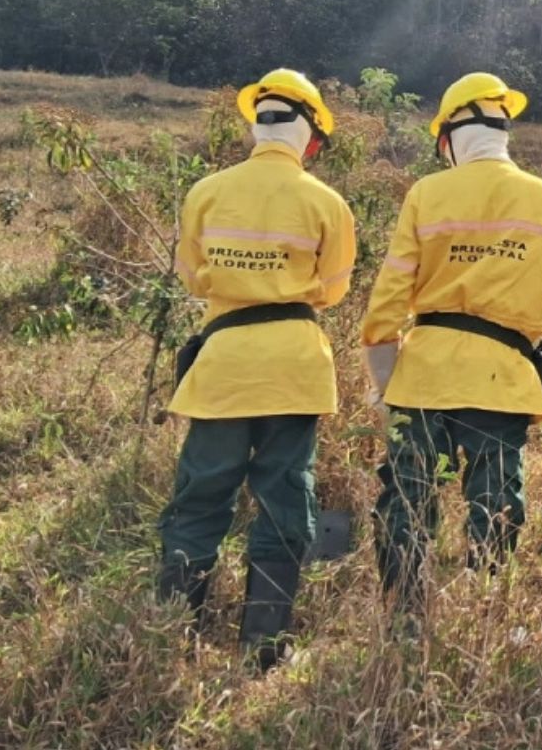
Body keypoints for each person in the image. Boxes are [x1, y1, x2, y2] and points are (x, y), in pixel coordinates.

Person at [361, 72, 542, 630]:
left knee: (410, 494)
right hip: (501, 375)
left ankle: (405, 616)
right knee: (495, 496)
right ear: (503, 131)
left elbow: (388, 298)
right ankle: (482, 615)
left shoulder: (426, 194)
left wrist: (384, 379)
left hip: (424, 373)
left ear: (451, 138)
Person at [158, 68, 356, 671]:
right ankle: (264, 650)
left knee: (201, 495)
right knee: (284, 496)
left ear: (255, 125)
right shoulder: (327, 202)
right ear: (312, 138)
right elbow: (333, 290)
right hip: (294, 366)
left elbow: (194, 277)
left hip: (224, 366)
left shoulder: (206, 192)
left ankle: (173, 636)